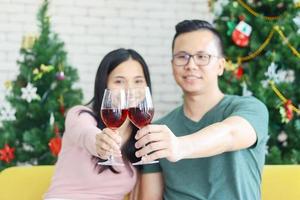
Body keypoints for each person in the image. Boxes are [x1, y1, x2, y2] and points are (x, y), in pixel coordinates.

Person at [136, 20, 269, 200]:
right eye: (182, 57)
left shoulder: (250, 108)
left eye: (202, 56)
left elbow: (230, 134)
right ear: (172, 64)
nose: (191, 65)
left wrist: (179, 146)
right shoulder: (160, 131)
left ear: (221, 66)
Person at [44, 48, 152, 200]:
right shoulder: (79, 115)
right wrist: (99, 142)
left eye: (138, 81)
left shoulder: (140, 139)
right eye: (119, 81)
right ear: (104, 85)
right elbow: (86, 134)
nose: (130, 89)